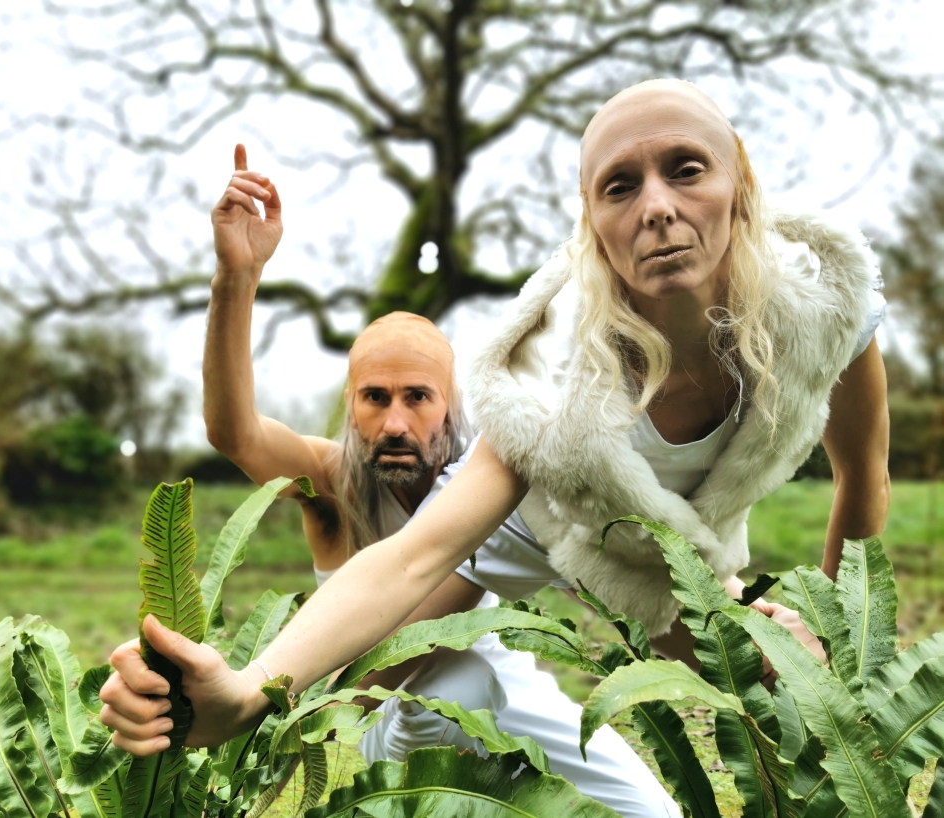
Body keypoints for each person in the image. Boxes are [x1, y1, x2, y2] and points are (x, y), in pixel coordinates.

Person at [100, 78, 889, 781]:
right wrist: (245, 692)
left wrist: (830, 648)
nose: (657, 207)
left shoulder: (824, 305)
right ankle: (375, 751)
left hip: (662, 550)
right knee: (375, 690)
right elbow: (412, 556)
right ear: (594, 228)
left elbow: (863, 477)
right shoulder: (544, 389)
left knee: (775, 688)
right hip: (526, 527)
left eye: (686, 168)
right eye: (619, 187)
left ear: (739, 184)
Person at [186, 141, 677, 816]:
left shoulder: (489, 483)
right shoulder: (330, 484)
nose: (394, 422)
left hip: (509, 687)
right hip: (395, 716)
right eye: (375, 398)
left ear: (449, 406)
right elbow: (233, 433)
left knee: (650, 812)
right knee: (451, 688)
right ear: (351, 406)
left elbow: (603, 560)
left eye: (417, 397)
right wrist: (235, 278)